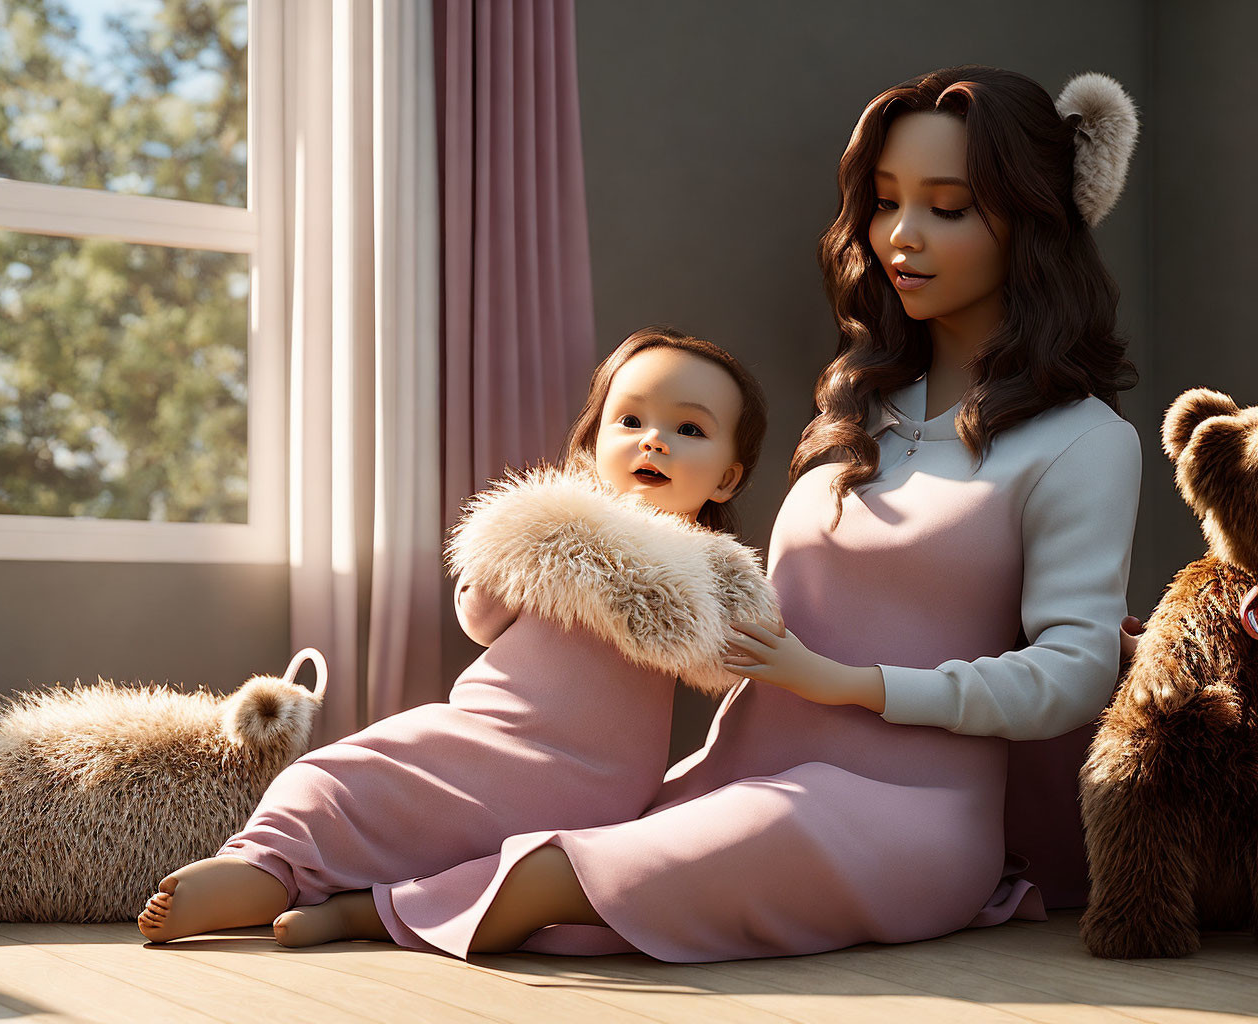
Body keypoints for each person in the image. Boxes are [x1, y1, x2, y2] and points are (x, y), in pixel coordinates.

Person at [273, 64, 1143, 961]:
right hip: (740, 770)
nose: (901, 238)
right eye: (885, 204)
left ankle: (378, 911)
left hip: (904, 811)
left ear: (1032, 222)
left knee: (572, 879)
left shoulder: (1083, 443)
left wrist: (853, 683)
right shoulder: (861, 409)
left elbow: (1072, 674)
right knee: (559, 839)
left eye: (947, 208)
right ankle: (338, 871)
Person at [136, 327, 778, 945]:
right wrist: (516, 546)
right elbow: (480, 618)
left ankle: (342, 904)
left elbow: (734, 653)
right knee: (340, 773)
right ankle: (268, 872)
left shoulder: (712, 569)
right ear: (589, 449)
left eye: (689, 429)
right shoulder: (557, 531)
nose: (654, 442)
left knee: (523, 870)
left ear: (726, 478)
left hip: (593, 778)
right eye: (630, 422)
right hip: (486, 733)